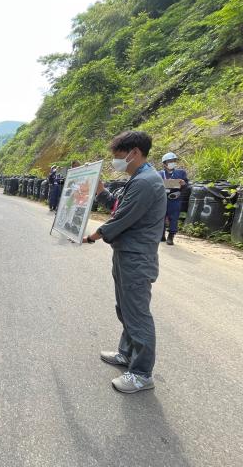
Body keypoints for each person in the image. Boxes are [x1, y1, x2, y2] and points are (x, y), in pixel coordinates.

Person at [83, 131, 166, 394]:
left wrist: (93, 236)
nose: (117, 162)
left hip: (137, 259)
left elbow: (120, 220)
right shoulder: (138, 179)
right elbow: (119, 207)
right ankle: (126, 353)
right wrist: (101, 192)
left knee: (138, 314)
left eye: (119, 157)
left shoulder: (145, 182)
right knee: (126, 309)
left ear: (135, 153)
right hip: (126, 255)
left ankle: (142, 374)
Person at [158, 152, 188, 245]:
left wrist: (184, 184)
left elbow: (186, 186)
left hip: (175, 198)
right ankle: (161, 235)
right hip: (162, 198)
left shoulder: (181, 173)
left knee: (173, 217)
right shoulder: (159, 173)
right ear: (164, 163)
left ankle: (171, 236)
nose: (172, 163)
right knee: (160, 217)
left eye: (174, 161)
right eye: (170, 161)